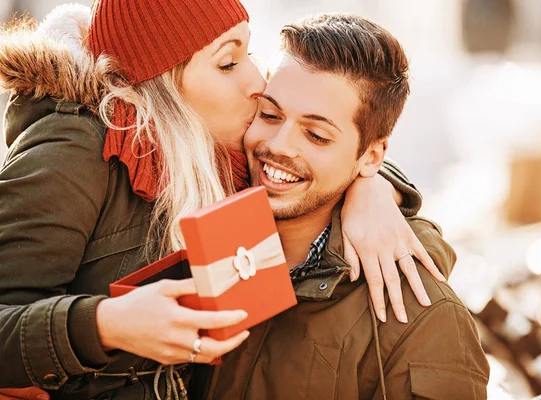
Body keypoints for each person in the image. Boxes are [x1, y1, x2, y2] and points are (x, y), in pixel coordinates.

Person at [0, 1, 443, 399]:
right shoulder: (79, 146)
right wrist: (105, 324)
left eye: (249, 52)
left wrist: (376, 188)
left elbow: (321, 157)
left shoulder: (218, 151)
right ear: (162, 83)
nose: (257, 81)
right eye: (228, 63)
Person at [200, 13, 490, 400]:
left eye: (316, 135)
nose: (280, 145)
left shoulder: (424, 319)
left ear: (371, 158)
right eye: (269, 114)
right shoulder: (200, 219)